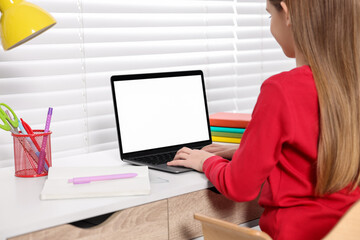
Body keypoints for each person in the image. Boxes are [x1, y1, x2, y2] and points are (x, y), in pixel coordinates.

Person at [167, 0, 360, 239]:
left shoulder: (282, 90)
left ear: (287, 13)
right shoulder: (353, 86)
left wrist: (205, 161)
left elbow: (240, 186)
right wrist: (243, 152)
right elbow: (325, 152)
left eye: (270, 16)